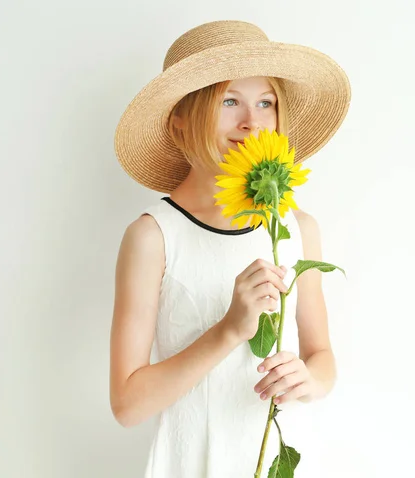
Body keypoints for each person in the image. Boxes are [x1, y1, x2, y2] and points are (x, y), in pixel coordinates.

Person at [110, 20, 351, 477]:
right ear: (179, 118)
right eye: (229, 101)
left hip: (284, 457)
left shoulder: (297, 229)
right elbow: (127, 404)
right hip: (194, 462)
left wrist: (309, 380)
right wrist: (229, 330)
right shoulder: (155, 236)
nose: (252, 122)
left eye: (266, 102)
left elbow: (322, 357)